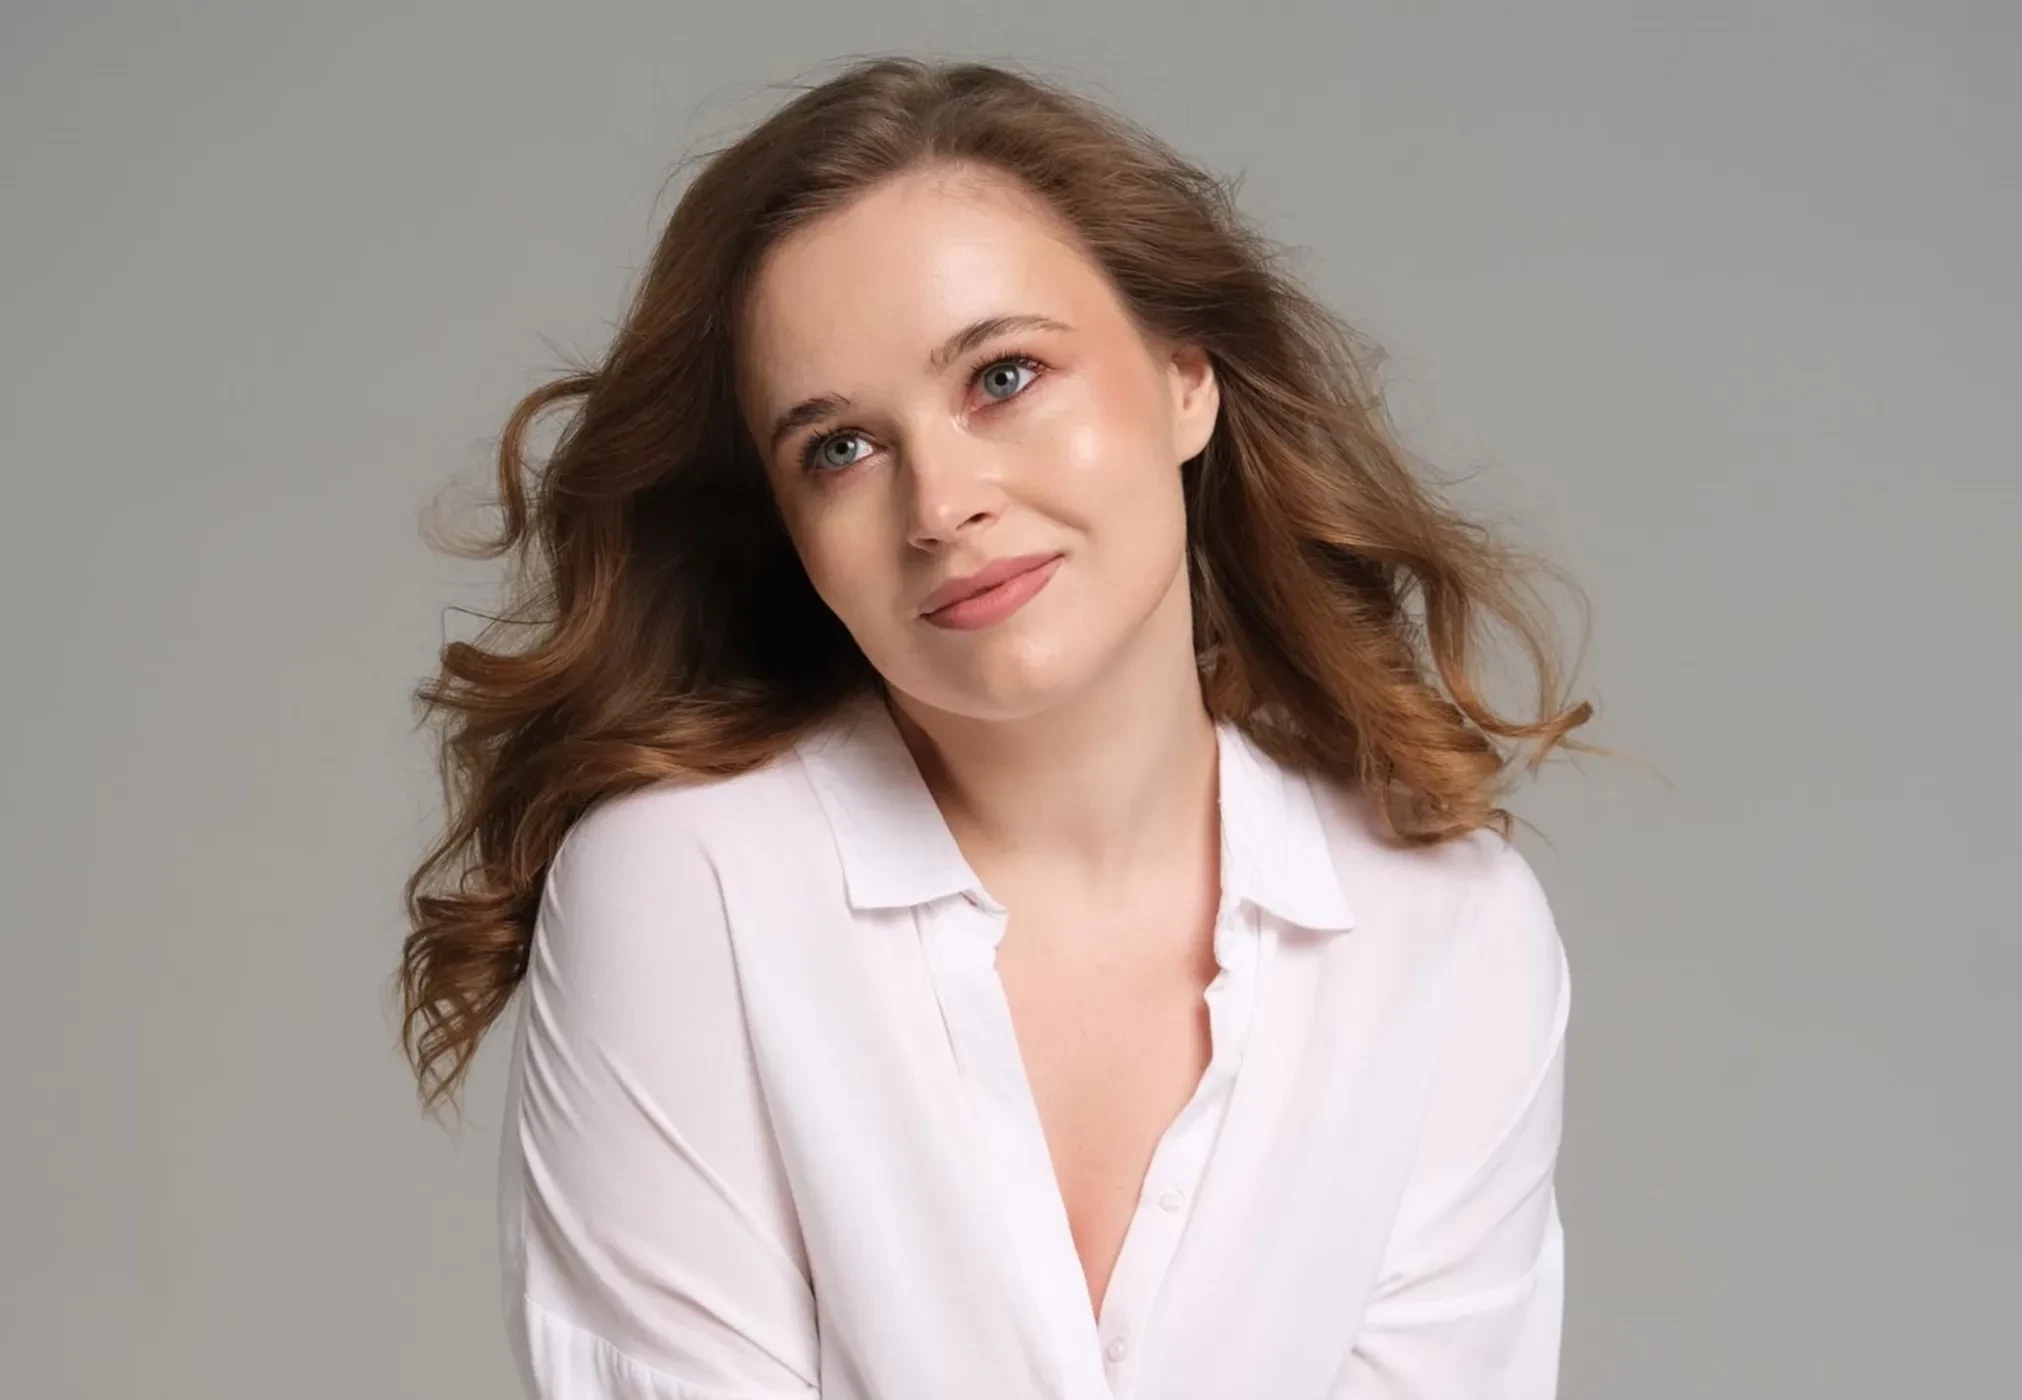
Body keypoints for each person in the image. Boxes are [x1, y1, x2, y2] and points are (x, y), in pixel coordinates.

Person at [398, 55, 1595, 1400]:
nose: (939, 503)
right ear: (789, 530)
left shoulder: (1448, 929)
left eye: (1003, 376)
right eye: (839, 448)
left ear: (1186, 378)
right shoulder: (693, 889)